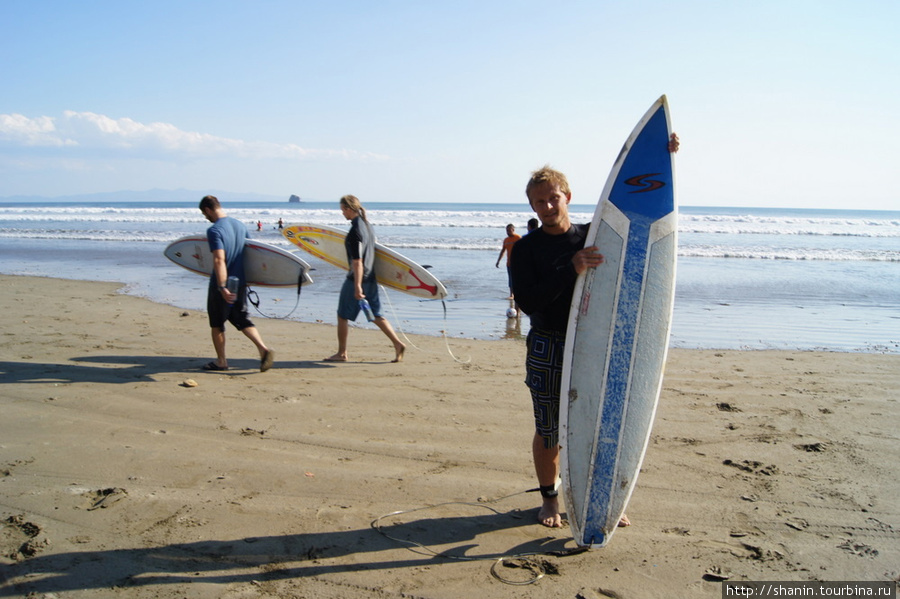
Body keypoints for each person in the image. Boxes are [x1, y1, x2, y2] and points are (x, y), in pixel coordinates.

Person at [512, 134, 678, 529]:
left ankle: (595, 497)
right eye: (540, 201)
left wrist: (661, 157)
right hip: (549, 343)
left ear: (567, 195)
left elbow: (639, 235)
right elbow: (528, 303)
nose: (548, 206)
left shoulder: (596, 236)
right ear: (532, 206)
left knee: (599, 421)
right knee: (549, 428)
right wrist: (569, 267)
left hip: (594, 340)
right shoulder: (526, 249)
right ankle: (551, 501)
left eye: (554, 197)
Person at [324, 195, 406, 363]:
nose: (342, 213)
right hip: (371, 277)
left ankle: (341, 353)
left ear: (348, 209)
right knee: (376, 315)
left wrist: (357, 286)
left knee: (342, 316)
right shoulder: (368, 226)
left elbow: (357, 262)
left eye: (342, 210)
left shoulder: (355, 231)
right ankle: (398, 344)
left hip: (358, 278)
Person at [199, 195, 275, 372]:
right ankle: (263, 349)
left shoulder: (214, 230)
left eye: (204, 214)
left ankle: (221, 361)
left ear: (209, 210)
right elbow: (251, 253)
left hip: (222, 284)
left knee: (217, 324)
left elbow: (219, 260)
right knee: (242, 319)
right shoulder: (240, 225)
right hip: (240, 283)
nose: (205, 217)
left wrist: (222, 287)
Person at [495, 224, 522, 299]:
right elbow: (503, 251)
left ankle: (519, 293)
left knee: (517, 279)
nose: (508, 232)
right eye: (507, 230)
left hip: (518, 263)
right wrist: (498, 261)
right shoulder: (506, 240)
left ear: (513, 230)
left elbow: (523, 250)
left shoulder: (518, 238)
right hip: (509, 263)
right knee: (510, 279)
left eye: (509, 230)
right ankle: (511, 295)